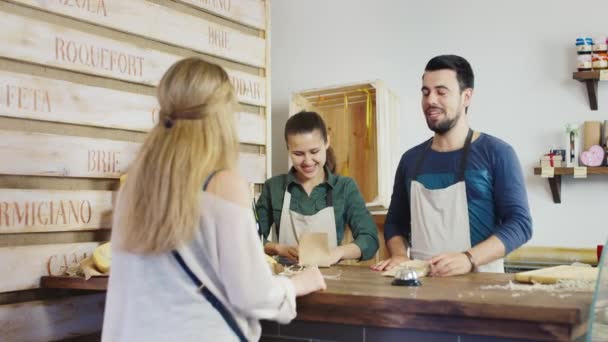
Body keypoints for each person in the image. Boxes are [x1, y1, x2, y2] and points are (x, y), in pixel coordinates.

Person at [102, 57, 326, 342]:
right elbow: (252, 294)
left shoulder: (132, 187)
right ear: (221, 115)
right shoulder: (223, 185)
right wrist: (294, 285)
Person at [371, 55, 532, 276]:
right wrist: (399, 255)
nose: (431, 100)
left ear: (466, 97)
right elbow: (395, 224)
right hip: (422, 289)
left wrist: (469, 258)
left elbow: (520, 224)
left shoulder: (497, 153)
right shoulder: (410, 160)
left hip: (482, 288)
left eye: (441, 91)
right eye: (425, 92)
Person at [256, 111, 379, 265]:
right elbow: (250, 238)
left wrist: (338, 252)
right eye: (298, 153)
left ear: (327, 142)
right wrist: (279, 249)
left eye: (314, 151)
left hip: (331, 282)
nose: (308, 161)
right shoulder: (273, 187)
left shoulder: (345, 187)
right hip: (287, 282)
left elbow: (370, 239)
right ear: (288, 149)